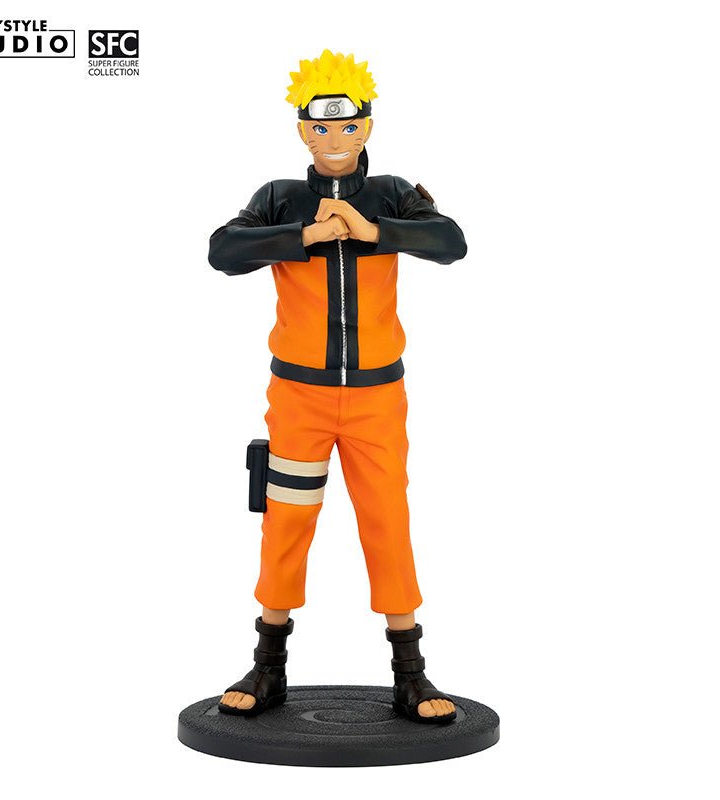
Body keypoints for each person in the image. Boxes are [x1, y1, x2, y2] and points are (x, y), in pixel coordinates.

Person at [208, 50, 467, 724]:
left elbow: (450, 242)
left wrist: (373, 231)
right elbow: (222, 252)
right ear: (302, 131)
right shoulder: (279, 198)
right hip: (300, 397)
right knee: (287, 522)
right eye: (320, 127)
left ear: (368, 127)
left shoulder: (392, 194)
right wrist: (307, 235)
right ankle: (268, 665)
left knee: (387, 520)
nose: (335, 139)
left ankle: (410, 672)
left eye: (349, 126)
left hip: (378, 398)